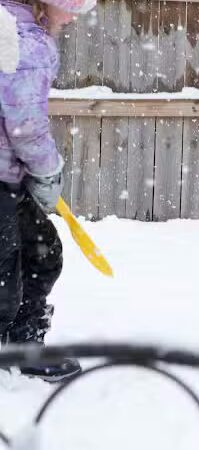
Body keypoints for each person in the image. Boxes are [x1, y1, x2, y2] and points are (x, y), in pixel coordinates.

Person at [0, 0, 95, 382]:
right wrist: (48, 171)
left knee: (40, 251)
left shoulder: (10, 30)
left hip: (8, 177)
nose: (74, 17)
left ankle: (23, 343)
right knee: (12, 268)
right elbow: (26, 125)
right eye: (71, 7)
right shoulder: (27, 42)